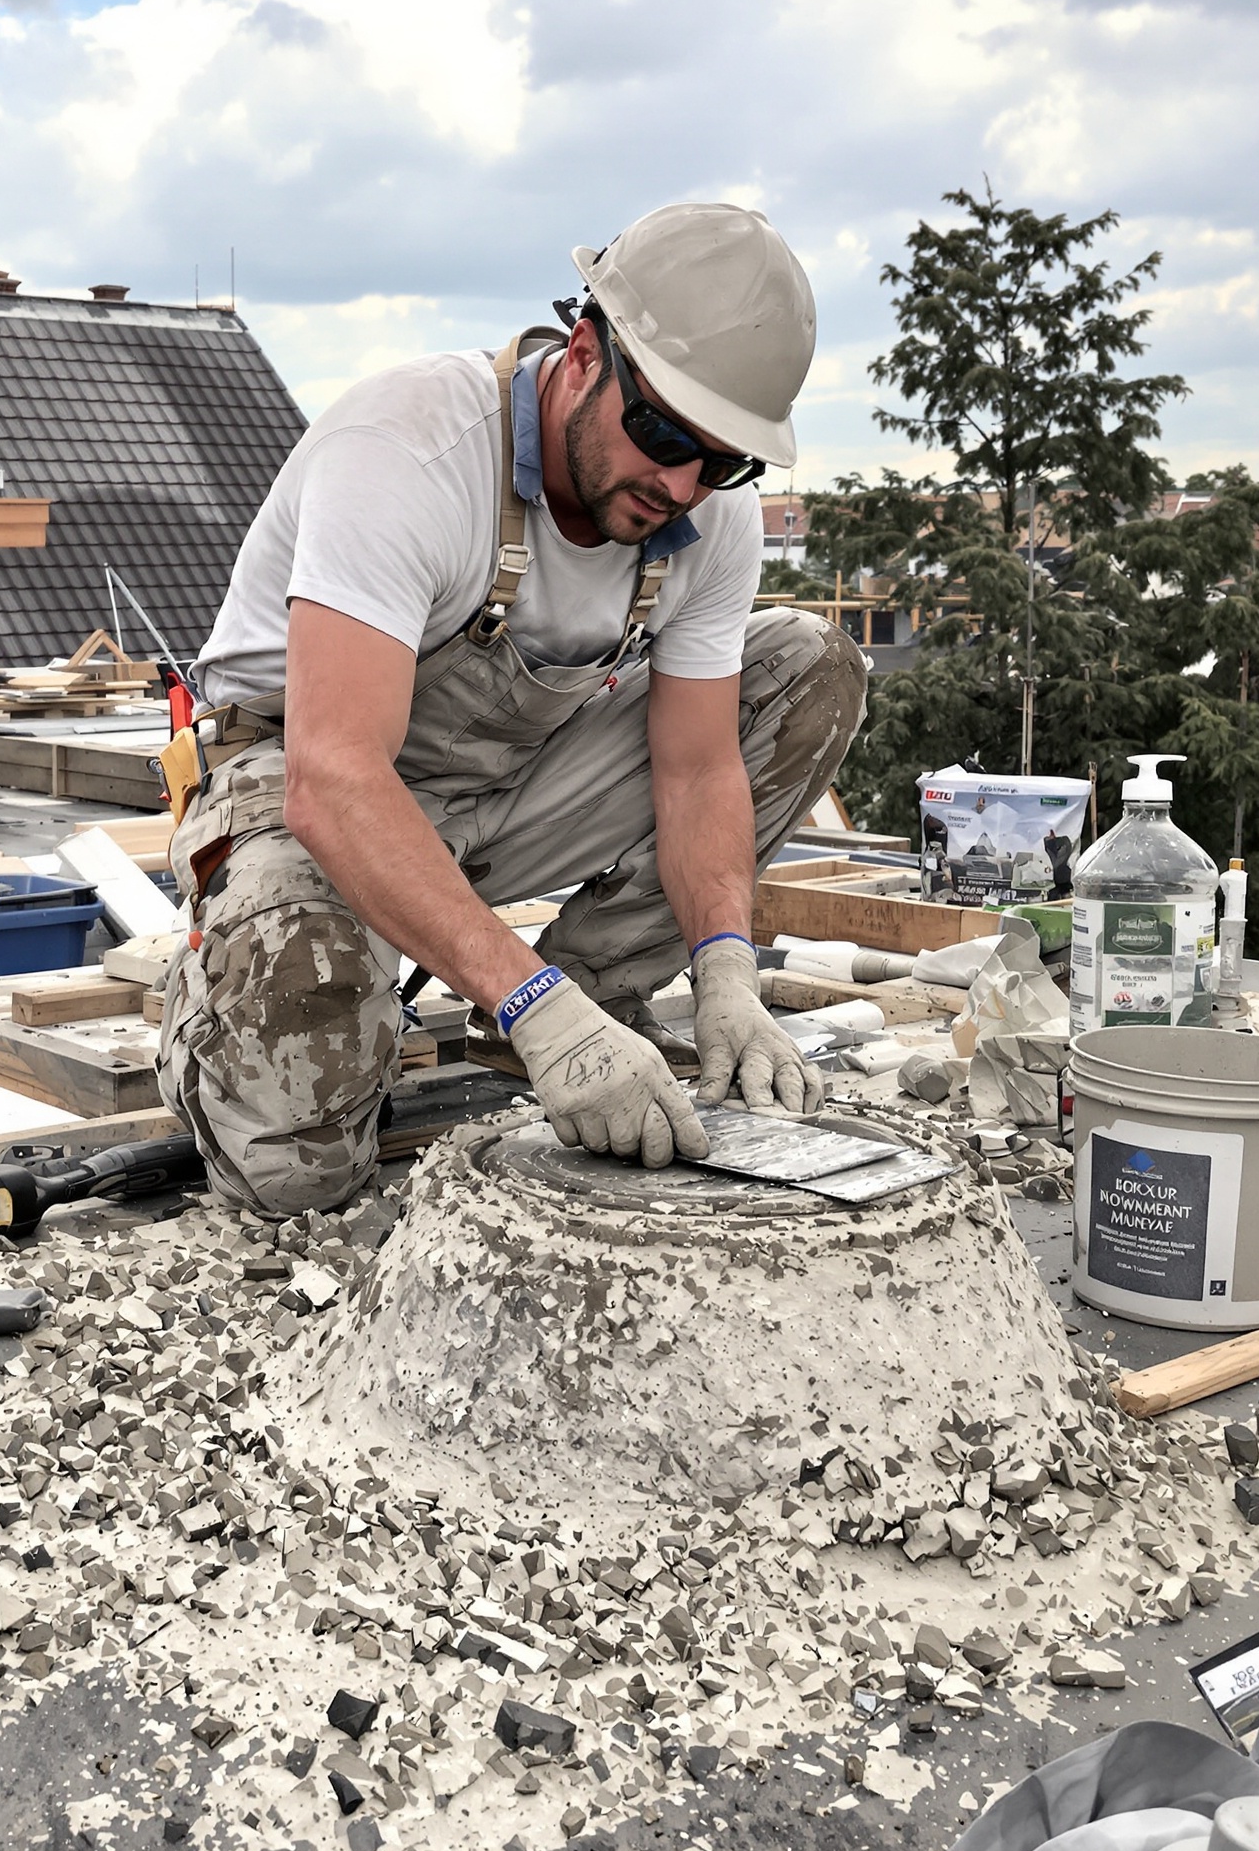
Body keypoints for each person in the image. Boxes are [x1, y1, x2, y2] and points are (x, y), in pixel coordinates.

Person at [158, 202, 869, 1217]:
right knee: (292, 1180)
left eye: (720, 462)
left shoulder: (706, 514)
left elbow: (698, 767)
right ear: (584, 355)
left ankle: (593, 1002)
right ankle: (216, 1011)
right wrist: (540, 1009)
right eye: (663, 433)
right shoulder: (413, 448)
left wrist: (725, 969)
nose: (679, 484)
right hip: (305, 782)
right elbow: (336, 775)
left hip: (505, 783)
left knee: (807, 667)